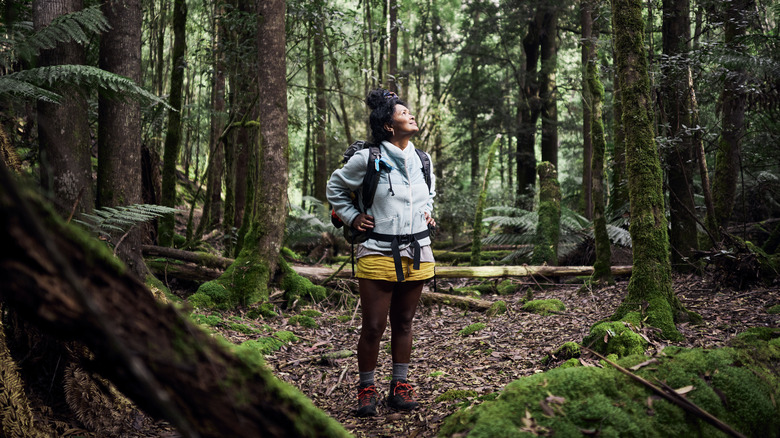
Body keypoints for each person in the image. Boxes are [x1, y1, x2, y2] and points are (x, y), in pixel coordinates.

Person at [326, 89, 436, 417]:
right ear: (389, 125)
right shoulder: (368, 158)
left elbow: (428, 193)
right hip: (376, 250)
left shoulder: (423, 160)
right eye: (404, 113)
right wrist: (352, 216)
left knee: (404, 322)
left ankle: (400, 387)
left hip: (417, 250)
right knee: (373, 326)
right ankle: (366, 389)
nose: (411, 116)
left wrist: (428, 213)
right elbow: (335, 187)